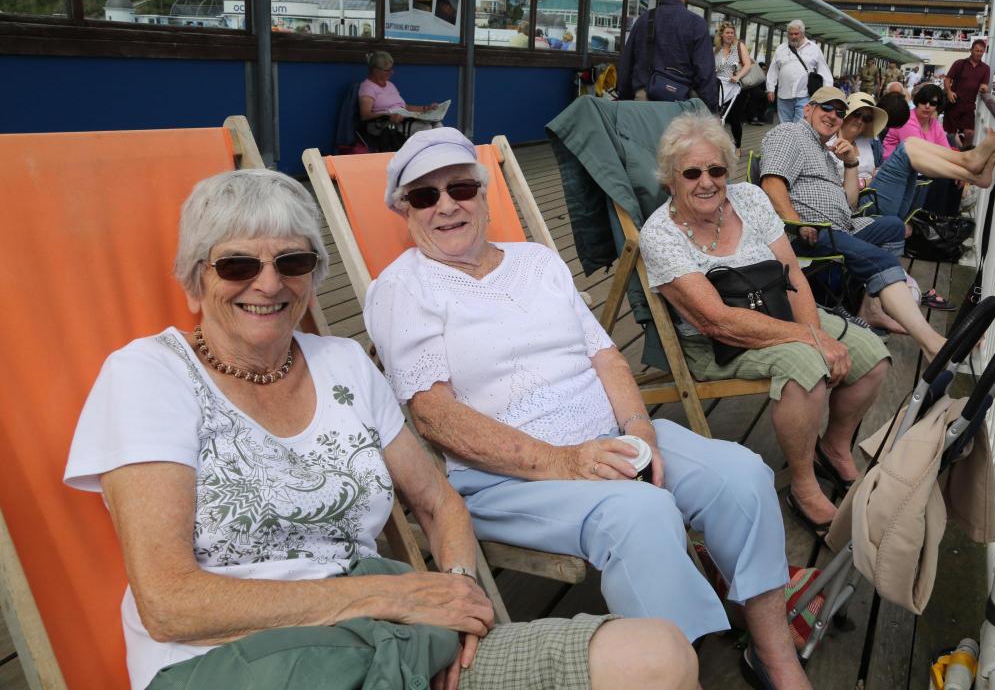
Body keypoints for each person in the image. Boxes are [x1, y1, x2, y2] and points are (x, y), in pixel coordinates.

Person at [64, 169, 698, 690]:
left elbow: (439, 499)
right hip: (233, 662)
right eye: (236, 265)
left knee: (660, 657)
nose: (268, 282)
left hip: (398, 640)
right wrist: (386, 601)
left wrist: (455, 597)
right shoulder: (148, 376)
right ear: (195, 281)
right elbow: (170, 603)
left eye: (292, 260)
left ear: (312, 278)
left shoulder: (342, 364)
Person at [365, 128, 809, 689]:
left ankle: (773, 655)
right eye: (426, 196)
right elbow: (433, 414)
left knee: (743, 474)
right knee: (641, 514)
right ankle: (676, 675)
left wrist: (639, 429)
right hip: (505, 479)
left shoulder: (536, 261)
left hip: (608, 442)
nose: (447, 205)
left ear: (481, 194)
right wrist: (566, 461)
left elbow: (606, 356)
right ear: (405, 210)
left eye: (460, 188)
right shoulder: (402, 288)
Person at [638, 112, 890, 540]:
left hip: (778, 306)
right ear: (670, 179)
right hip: (718, 342)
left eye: (716, 169)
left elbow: (791, 271)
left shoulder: (750, 199)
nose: (707, 181)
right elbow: (716, 321)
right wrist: (813, 340)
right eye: (692, 172)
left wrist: (814, 329)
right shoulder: (661, 234)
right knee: (806, 370)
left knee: (873, 358)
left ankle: (834, 445)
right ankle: (804, 484)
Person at [758, 86, 951, 359]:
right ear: (808, 109)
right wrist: (796, 224)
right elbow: (772, 181)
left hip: (842, 226)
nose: (834, 115)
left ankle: (871, 308)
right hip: (811, 233)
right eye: (827, 107)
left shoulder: (825, 151)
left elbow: (850, 203)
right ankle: (931, 343)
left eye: (839, 111)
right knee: (878, 259)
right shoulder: (791, 133)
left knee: (894, 226)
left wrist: (850, 163)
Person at [618, 0, 718, 112]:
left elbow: (626, 66)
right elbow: (705, 74)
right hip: (681, 106)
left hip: (643, 104)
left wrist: (626, 98)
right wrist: (712, 109)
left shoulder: (644, 19)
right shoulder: (697, 24)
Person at [359, 51, 439, 151]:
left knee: (438, 125)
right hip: (385, 124)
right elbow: (365, 115)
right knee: (425, 128)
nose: (391, 72)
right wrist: (388, 115)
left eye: (391, 69)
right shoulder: (367, 87)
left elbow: (403, 107)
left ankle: (440, 159)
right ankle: (421, 160)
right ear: (375, 70)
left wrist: (426, 108)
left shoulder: (390, 85)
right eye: (387, 70)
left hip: (403, 118)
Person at [766, 19, 833, 123]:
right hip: (784, 95)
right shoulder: (781, 49)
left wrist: (827, 92)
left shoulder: (814, 49)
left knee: (800, 126)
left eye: (796, 34)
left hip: (804, 95)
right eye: (790, 34)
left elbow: (824, 71)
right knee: (784, 127)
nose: (793, 37)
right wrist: (770, 88)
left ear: (803, 33)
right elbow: (773, 69)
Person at [713, 21, 753, 152]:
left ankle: (738, 147)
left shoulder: (739, 46)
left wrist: (738, 76)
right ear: (721, 35)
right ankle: (718, 146)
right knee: (716, 117)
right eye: (727, 33)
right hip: (719, 87)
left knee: (735, 118)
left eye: (732, 33)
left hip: (735, 87)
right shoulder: (715, 49)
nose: (730, 35)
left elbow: (747, 64)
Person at [943, 39, 991, 147]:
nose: (978, 53)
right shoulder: (959, 63)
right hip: (953, 103)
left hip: (969, 105)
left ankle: (964, 152)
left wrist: (984, 89)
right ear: (971, 50)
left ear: (984, 52)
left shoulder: (985, 69)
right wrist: (949, 92)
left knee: (970, 133)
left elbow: (984, 85)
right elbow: (947, 79)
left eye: (981, 51)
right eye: (976, 50)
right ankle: (953, 153)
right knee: (951, 134)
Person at [883, 82, 951, 158]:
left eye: (932, 103)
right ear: (917, 101)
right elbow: (919, 155)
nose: (927, 106)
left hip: (919, 165)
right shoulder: (907, 119)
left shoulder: (934, 123)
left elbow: (947, 151)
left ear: (937, 106)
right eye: (923, 101)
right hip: (894, 166)